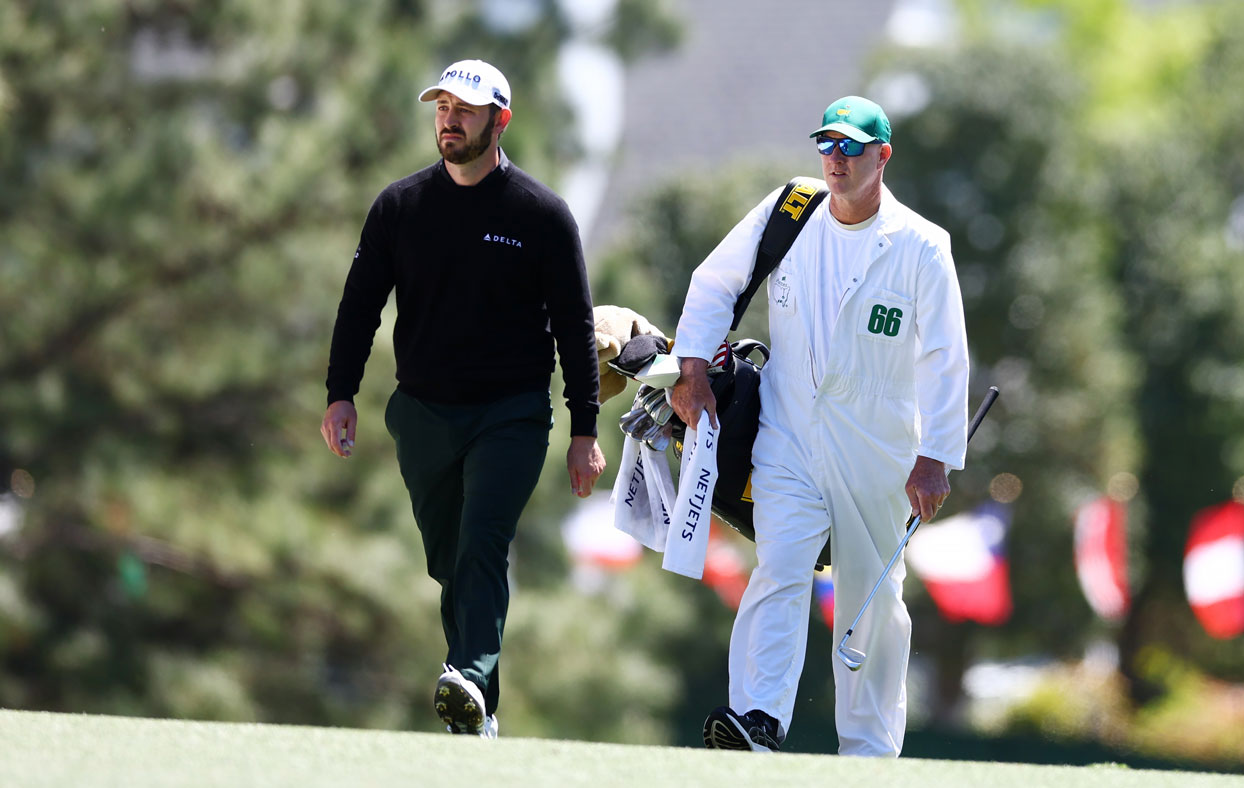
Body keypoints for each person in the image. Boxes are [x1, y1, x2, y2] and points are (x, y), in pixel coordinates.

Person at [670, 96, 969, 756]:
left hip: (879, 454)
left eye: (852, 147)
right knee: (778, 569)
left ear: (882, 156)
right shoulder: (791, 210)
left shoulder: (922, 246)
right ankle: (757, 721)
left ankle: (868, 752)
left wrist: (936, 456)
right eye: (827, 145)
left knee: (872, 598)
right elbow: (716, 281)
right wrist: (692, 367)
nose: (836, 159)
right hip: (789, 438)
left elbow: (945, 356)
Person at [319, 59, 605, 738]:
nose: (449, 120)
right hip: (422, 413)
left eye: (465, 110)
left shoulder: (541, 215)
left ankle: (469, 678)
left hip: (511, 413)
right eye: (442, 108)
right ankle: (479, 709)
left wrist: (584, 431)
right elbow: (360, 307)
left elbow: (575, 327)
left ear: (499, 120)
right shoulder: (399, 206)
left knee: (482, 540)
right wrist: (341, 393)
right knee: (450, 560)